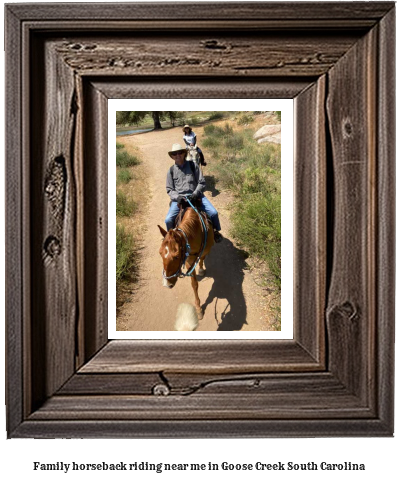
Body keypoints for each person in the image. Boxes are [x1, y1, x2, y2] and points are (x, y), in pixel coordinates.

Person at [165, 143, 222, 243]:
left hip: (196, 195)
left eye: (180, 152)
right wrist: (177, 197)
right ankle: (172, 239)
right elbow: (169, 189)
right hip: (179, 198)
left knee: (213, 213)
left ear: (184, 153)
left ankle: (215, 232)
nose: (177, 155)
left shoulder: (193, 165)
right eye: (174, 154)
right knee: (168, 220)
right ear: (172, 156)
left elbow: (202, 182)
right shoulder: (171, 171)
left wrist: (195, 194)